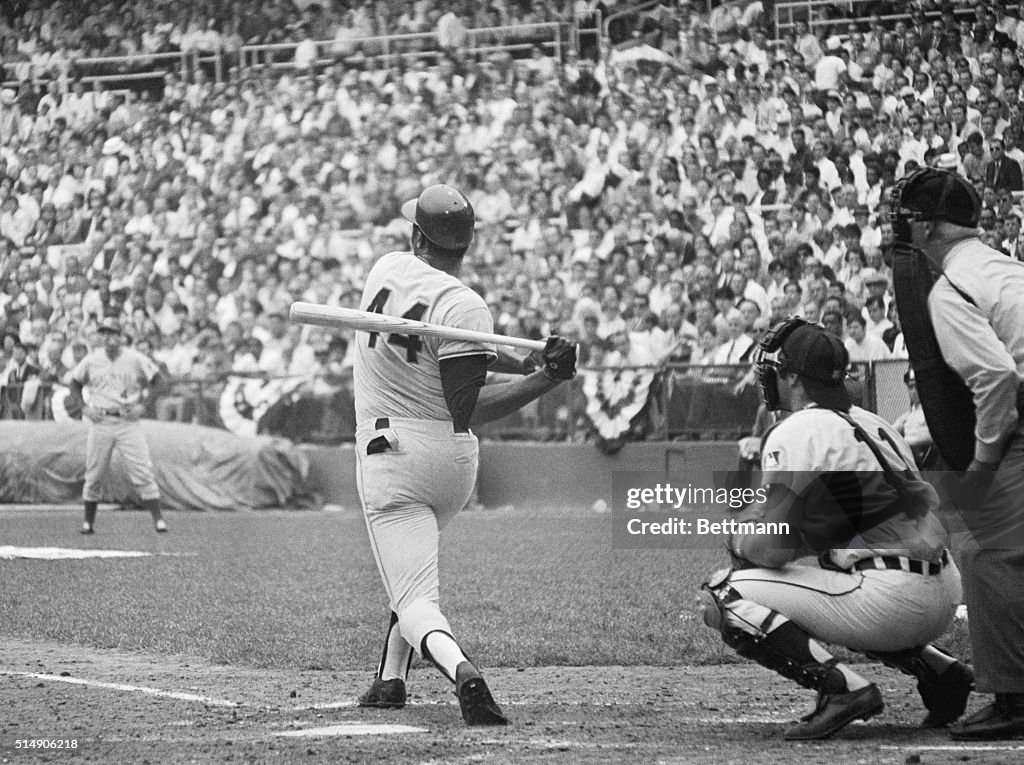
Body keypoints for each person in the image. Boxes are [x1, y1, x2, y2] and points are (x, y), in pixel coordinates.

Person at [352, 184, 577, 726]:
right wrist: (543, 374)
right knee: (410, 568)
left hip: (393, 454)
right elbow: (462, 379)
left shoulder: (384, 269)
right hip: (453, 466)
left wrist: (535, 369)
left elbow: (465, 396)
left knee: (415, 598)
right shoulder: (465, 304)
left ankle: (462, 671)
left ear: (416, 235)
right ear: (467, 244)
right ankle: (390, 679)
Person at [699, 318, 972, 740]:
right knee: (839, 573)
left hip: (890, 599)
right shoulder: (876, 422)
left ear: (792, 376)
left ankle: (843, 689)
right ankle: (941, 669)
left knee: (724, 594)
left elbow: (771, 549)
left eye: (776, 368)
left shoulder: (795, 429)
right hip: (944, 591)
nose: (768, 376)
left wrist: (738, 536)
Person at [890, 167, 1024, 740]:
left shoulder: (949, 290)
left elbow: (995, 377)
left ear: (927, 226)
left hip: (1016, 431)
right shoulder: (1004, 266)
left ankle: (1015, 699)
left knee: (989, 552)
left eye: (909, 216)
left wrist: (983, 463)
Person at [67, 317, 167, 535]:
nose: (108, 337)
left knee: (141, 469)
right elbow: (74, 383)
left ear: (121, 336)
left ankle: (158, 519)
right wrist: (83, 407)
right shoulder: (92, 360)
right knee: (94, 472)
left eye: (112, 333)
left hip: (127, 420)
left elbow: (159, 381)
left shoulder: (135, 358)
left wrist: (143, 405)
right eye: (104, 333)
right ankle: (88, 522)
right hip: (101, 419)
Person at [893, 369, 938, 470]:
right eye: (911, 387)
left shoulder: (933, 410)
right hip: (909, 460)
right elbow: (891, 430)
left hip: (930, 462)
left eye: (917, 387)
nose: (914, 391)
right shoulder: (907, 415)